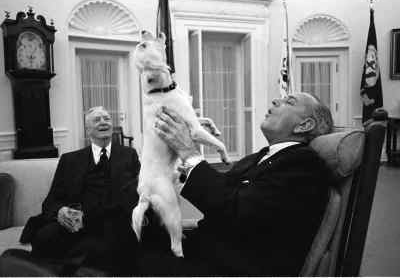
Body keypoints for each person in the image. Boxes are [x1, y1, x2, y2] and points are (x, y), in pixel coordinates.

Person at [125, 91, 334, 277]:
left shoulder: (304, 165)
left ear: (304, 125)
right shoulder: (258, 157)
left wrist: (188, 151)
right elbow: (222, 190)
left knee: (121, 258)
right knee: (126, 214)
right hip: (206, 249)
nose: (275, 101)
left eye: (289, 102)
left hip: (230, 268)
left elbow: (237, 211)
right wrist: (175, 173)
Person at [19, 106, 141, 275]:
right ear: (88, 130)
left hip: (114, 219)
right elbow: (52, 199)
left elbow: (142, 187)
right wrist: (60, 210)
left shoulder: (129, 154)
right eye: (96, 120)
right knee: (45, 237)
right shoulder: (70, 160)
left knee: (117, 241)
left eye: (106, 119)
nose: (103, 122)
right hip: (76, 221)